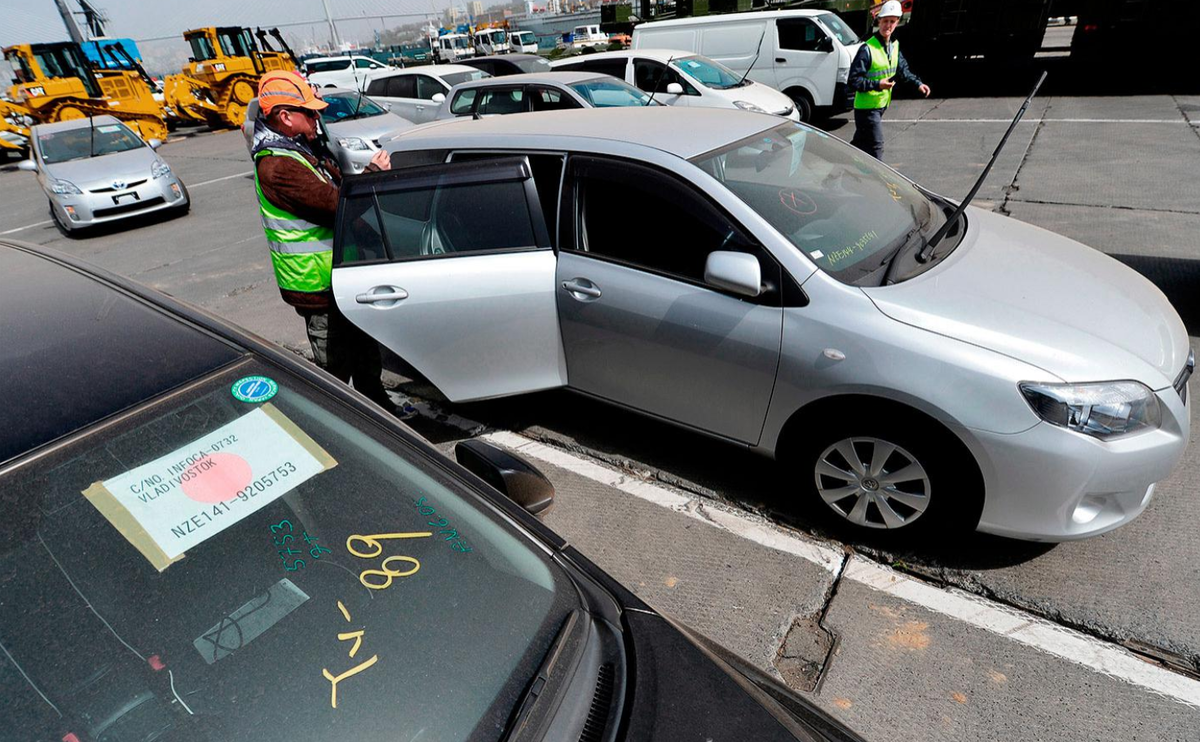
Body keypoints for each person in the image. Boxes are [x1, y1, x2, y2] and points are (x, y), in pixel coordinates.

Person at [249, 70, 397, 410]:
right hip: (316, 286)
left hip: (337, 278)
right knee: (334, 370)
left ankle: (378, 408)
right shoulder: (277, 166)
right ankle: (337, 427)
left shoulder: (299, 150)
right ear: (285, 117)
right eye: (310, 112)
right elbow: (335, 204)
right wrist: (372, 176)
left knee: (363, 353)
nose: (318, 117)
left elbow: (334, 186)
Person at [847, 0, 930, 161]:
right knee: (876, 146)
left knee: (859, 144)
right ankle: (880, 183)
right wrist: (878, 85)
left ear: (897, 22)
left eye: (892, 21)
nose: (888, 25)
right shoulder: (867, 49)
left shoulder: (894, 46)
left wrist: (918, 84)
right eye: (885, 21)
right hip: (866, 109)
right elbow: (853, 80)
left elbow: (903, 70)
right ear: (879, 21)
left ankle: (838, 169)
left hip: (880, 106)